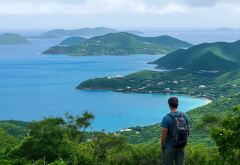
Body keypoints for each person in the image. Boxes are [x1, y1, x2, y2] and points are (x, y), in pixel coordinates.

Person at [161, 97, 189, 165]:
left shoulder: (166, 118)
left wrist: (162, 146)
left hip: (170, 146)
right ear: (177, 104)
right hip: (181, 145)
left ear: (169, 105)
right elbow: (187, 130)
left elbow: (164, 135)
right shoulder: (184, 116)